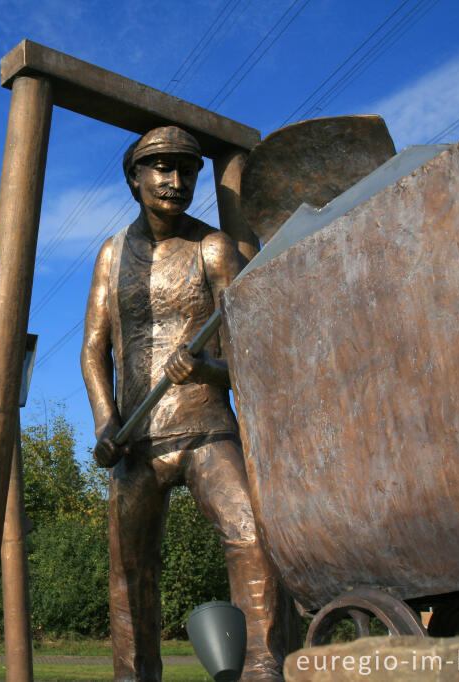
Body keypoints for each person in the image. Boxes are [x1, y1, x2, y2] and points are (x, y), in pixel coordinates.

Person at [81, 126, 285, 681]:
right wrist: (106, 422)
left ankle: (263, 667)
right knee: (129, 569)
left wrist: (208, 369)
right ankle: (135, 675)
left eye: (187, 171)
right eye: (161, 169)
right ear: (134, 178)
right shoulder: (112, 255)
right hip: (136, 442)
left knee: (251, 536)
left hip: (207, 430)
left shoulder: (213, 248)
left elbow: (253, 353)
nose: (174, 182)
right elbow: (94, 350)